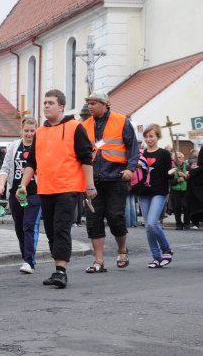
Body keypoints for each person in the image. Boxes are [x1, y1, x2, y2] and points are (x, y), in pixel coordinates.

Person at [18, 89, 95, 288]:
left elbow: (86, 157)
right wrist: (23, 185)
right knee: (51, 231)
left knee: (61, 228)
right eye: (44, 102)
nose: (46, 106)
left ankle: (61, 271)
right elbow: (31, 162)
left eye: (50, 103)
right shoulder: (40, 132)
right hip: (45, 189)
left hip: (68, 188)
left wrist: (89, 185)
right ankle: (57, 269)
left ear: (61, 106)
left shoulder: (75, 127)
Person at [81, 92, 139, 273]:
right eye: (89, 103)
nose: (90, 106)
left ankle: (122, 249)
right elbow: (80, 154)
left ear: (106, 104)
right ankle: (99, 261)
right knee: (93, 220)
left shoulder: (121, 121)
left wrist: (130, 168)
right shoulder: (84, 126)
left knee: (115, 217)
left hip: (116, 178)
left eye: (94, 103)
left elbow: (133, 147)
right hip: (93, 180)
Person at [0, 117, 42, 274]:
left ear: (37, 130)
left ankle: (30, 261)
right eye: (26, 131)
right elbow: (5, 168)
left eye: (32, 131)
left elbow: (47, 170)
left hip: (34, 194)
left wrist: (33, 172)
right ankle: (26, 258)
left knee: (29, 226)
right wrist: (2, 185)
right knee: (19, 227)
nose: (29, 134)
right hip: (16, 194)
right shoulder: (14, 146)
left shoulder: (40, 146)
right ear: (21, 131)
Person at [132, 124, 175, 268]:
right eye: (147, 136)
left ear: (158, 137)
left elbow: (170, 173)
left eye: (152, 136)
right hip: (143, 193)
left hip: (159, 192)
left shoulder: (164, 154)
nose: (149, 139)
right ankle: (156, 257)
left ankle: (167, 250)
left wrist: (171, 173)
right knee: (148, 227)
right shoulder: (141, 154)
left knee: (152, 223)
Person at [170, 151, 191, 230]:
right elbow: (169, 181)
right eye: (176, 158)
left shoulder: (188, 167)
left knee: (186, 207)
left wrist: (185, 176)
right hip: (175, 191)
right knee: (177, 208)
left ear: (183, 158)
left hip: (186, 191)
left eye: (179, 157)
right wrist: (177, 180)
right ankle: (178, 224)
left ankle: (187, 223)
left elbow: (192, 179)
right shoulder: (172, 168)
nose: (178, 159)